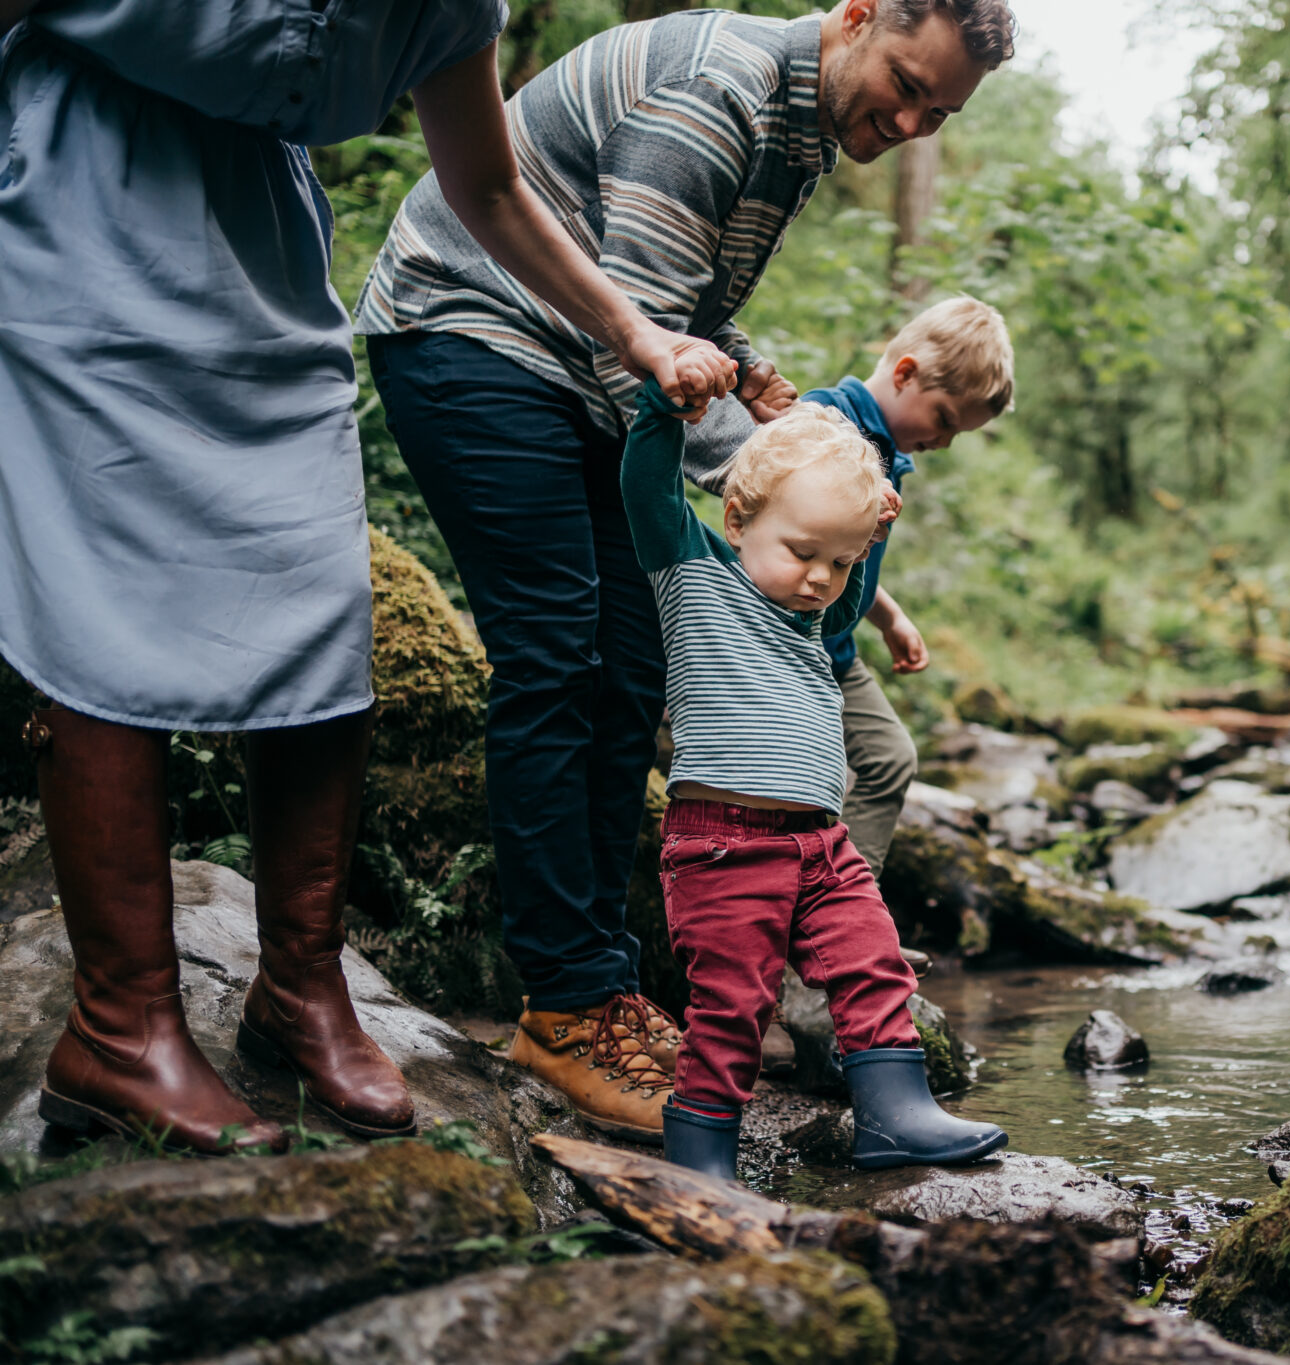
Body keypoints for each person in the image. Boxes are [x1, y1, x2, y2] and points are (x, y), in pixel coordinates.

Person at [0, 0, 732, 1155]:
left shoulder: (454, 8)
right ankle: (119, 1027)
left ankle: (298, 988)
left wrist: (631, 334)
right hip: (76, 209)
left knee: (321, 605)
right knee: (102, 610)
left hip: (263, 253)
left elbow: (487, 188)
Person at [358, 0, 1015, 1143]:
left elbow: (690, 307)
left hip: (586, 360)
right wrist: (797, 475)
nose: (910, 119)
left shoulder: (804, 127)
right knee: (558, 649)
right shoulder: (716, 91)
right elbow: (650, 344)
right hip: (475, 330)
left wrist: (749, 370)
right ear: (856, 16)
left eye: (937, 112)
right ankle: (564, 1001)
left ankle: (600, 989)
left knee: (629, 661)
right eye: (906, 82)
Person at [619, 392, 1007, 1182]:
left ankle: (894, 1115)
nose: (820, 578)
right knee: (732, 1009)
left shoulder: (815, 616)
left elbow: (852, 596)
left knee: (875, 960)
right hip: (725, 844)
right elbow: (646, 491)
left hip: (822, 845)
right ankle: (701, 1159)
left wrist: (874, 538)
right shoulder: (694, 577)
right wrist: (662, 408)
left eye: (840, 560)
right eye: (804, 553)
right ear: (736, 521)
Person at [803, 297, 1013, 875]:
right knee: (804, 780)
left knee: (890, 759)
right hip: (785, 649)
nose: (945, 442)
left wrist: (889, 617)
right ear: (905, 373)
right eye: (945, 419)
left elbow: (848, 561)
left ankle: (843, 917)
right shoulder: (823, 423)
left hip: (834, 653)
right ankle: (807, 927)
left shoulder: (889, 454)